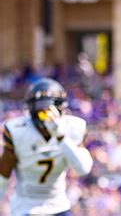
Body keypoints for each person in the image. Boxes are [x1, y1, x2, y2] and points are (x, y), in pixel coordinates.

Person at [0, 78, 93, 216]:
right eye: (39, 107)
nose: (44, 112)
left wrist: (60, 136)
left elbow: (83, 169)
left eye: (48, 107)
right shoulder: (17, 130)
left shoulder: (72, 128)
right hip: (25, 207)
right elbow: (3, 175)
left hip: (58, 205)